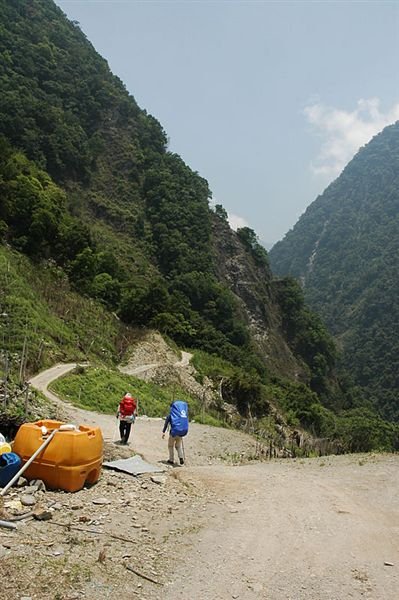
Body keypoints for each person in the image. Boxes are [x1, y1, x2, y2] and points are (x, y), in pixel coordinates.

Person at [162, 400, 188, 465]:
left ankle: (171, 459)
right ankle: (181, 457)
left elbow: (166, 423)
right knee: (178, 446)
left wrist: (163, 432)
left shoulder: (171, 415)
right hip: (180, 433)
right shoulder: (180, 415)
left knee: (170, 446)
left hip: (173, 433)